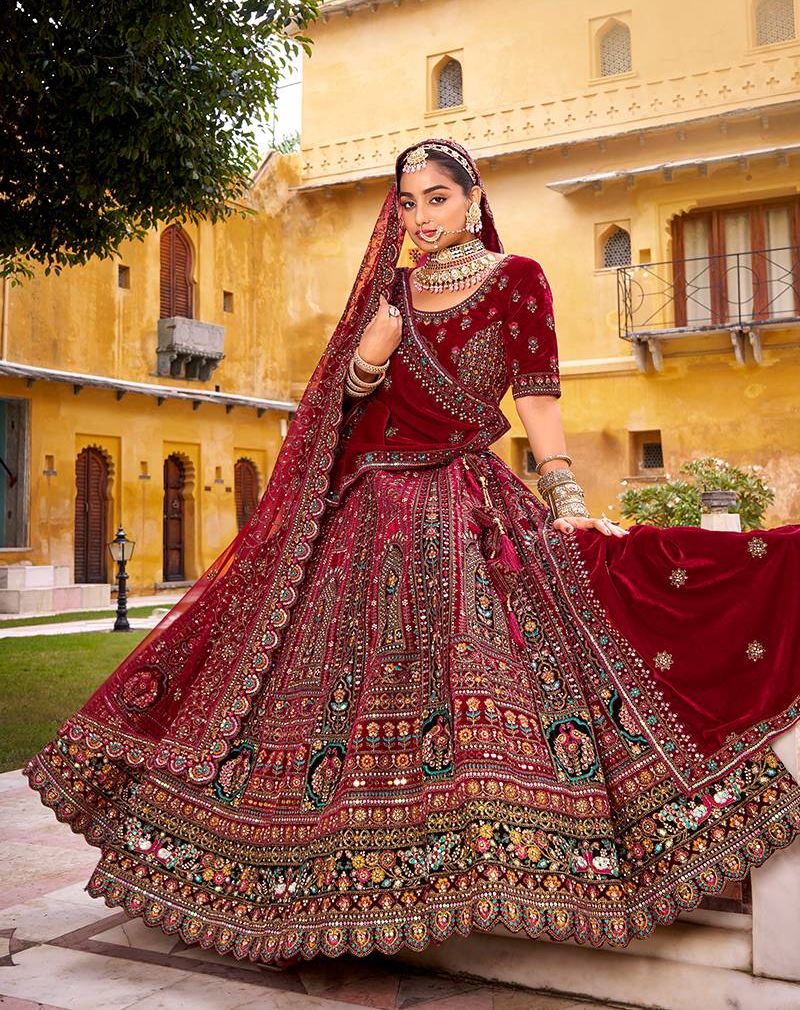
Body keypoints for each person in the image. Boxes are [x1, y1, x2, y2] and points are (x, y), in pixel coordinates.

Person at [24, 138, 800, 969]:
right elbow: (346, 411)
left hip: (468, 502)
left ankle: (479, 880)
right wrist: (369, 357)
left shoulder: (517, 279)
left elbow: (536, 395)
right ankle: (314, 891)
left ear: (473, 197)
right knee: (333, 694)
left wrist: (570, 501)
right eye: (408, 202)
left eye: (436, 197)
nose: (420, 216)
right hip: (368, 515)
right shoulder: (388, 296)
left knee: (497, 672)